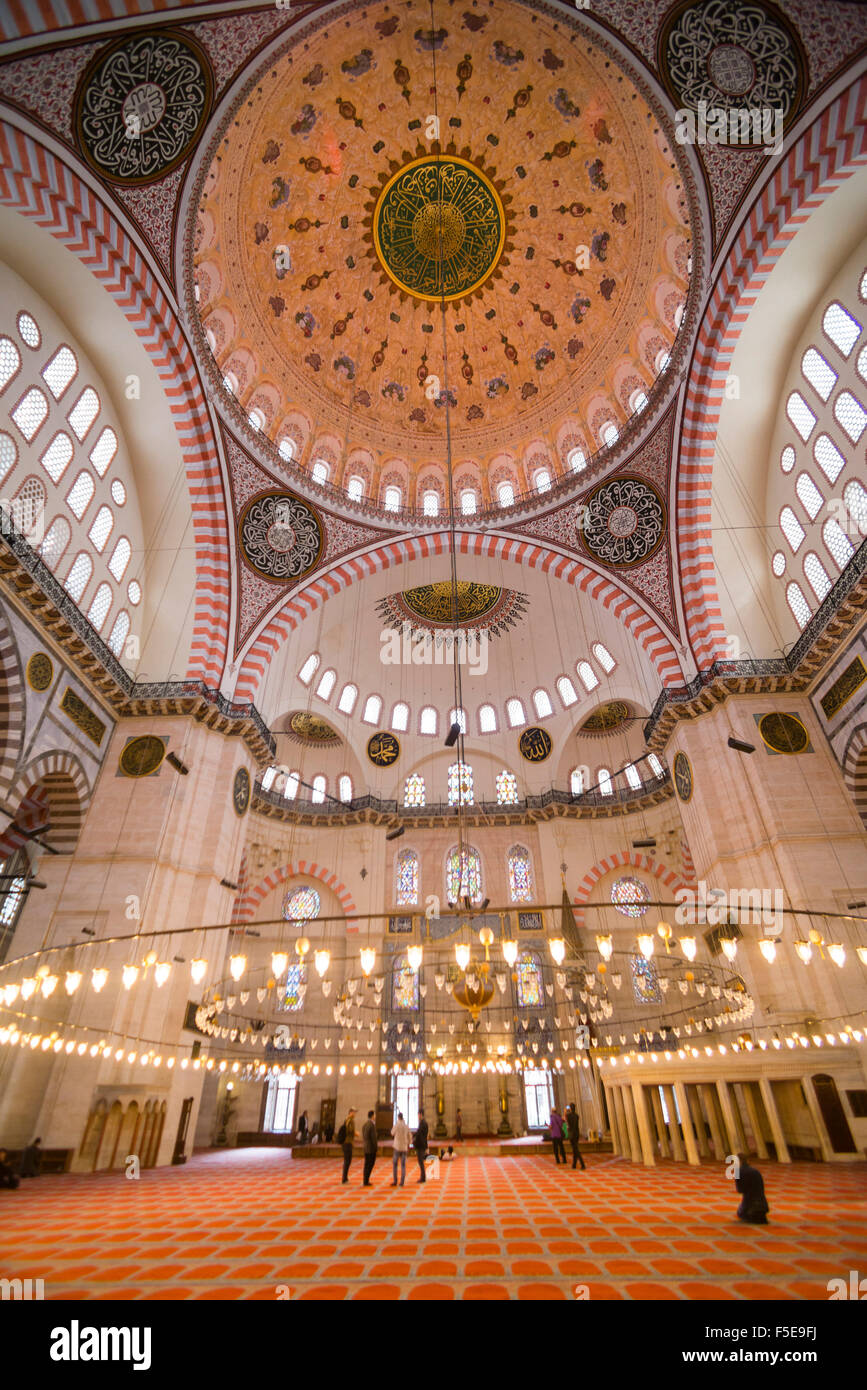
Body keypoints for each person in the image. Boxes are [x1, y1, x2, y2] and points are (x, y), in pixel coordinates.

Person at [734, 1154, 769, 1224]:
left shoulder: (738, 1172)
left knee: (740, 1213)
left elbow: (740, 1190)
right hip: (763, 1206)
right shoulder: (756, 1171)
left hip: (750, 1206)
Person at [391, 1110, 410, 1186]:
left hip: (397, 1147)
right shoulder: (406, 1126)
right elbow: (410, 1136)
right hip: (404, 1147)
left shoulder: (397, 1125)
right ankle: (402, 1182)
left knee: (395, 1164)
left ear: (398, 1118)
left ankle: (395, 1181)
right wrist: (409, 1143)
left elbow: (392, 1133)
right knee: (403, 1165)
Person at [565, 1103, 585, 1170]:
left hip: (572, 1134)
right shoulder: (577, 1115)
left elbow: (566, 1120)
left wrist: (565, 1111)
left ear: (570, 1108)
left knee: (576, 1150)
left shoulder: (568, 1115)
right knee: (574, 1149)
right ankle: (574, 1164)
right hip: (576, 1133)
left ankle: (582, 1164)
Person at [340, 1107, 356, 1183]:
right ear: (350, 1113)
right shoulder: (350, 1120)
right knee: (347, 1161)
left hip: (347, 1143)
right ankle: (344, 1178)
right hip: (347, 1143)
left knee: (347, 1161)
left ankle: (345, 1177)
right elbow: (349, 1130)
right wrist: (355, 1133)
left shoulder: (347, 1120)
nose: (355, 1114)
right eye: (353, 1112)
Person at [362, 1110, 378, 1186]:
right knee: (370, 1164)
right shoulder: (371, 1125)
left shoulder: (365, 1124)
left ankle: (365, 1180)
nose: (375, 1116)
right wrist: (376, 1147)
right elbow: (373, 1138)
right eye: (375, 1115)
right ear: (372, 1116)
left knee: (366, 1164)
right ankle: (366, 1180)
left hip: (366, 1147)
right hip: (371, 1148)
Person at [413, 1108, 429, 1183]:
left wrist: (414, 1139)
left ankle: (423, 1177)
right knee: (421, 1162)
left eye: (418, 1114)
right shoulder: (423, 1123)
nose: (418, 1116)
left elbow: (420, 1134)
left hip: (421, 1145)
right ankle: (423, 1177)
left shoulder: (422, 1123)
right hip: (423, 1144)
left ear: (421, 1114)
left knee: (420, 1162)